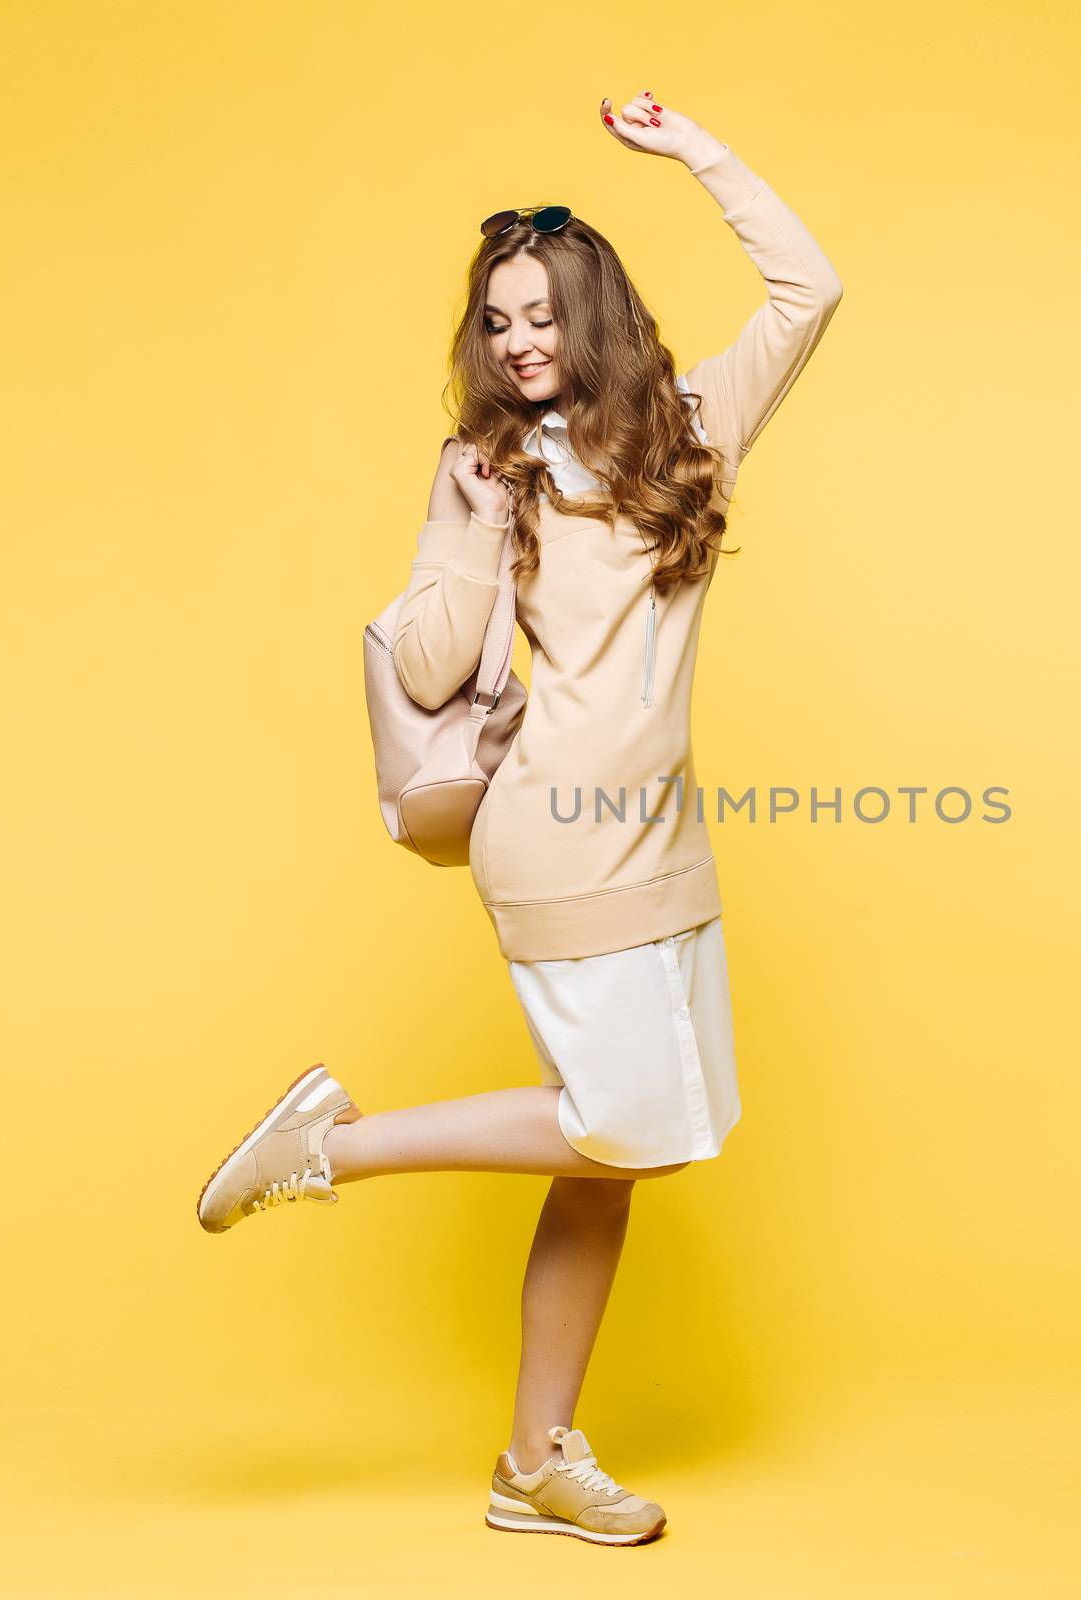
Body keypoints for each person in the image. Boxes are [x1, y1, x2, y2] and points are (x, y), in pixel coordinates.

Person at [193, 89, 843, 1547]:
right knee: (616, 1126)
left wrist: (692, 153)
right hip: (554, 832)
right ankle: (330, 1146)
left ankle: (535, 1462)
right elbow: (427, 663)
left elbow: (812, 286)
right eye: (496, 321)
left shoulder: (689, 430)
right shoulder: (485, 470)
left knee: (634, 1156)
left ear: (591, 315)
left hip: (667, 841)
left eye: (541, 313)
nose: (518, 341)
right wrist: (476, 522)